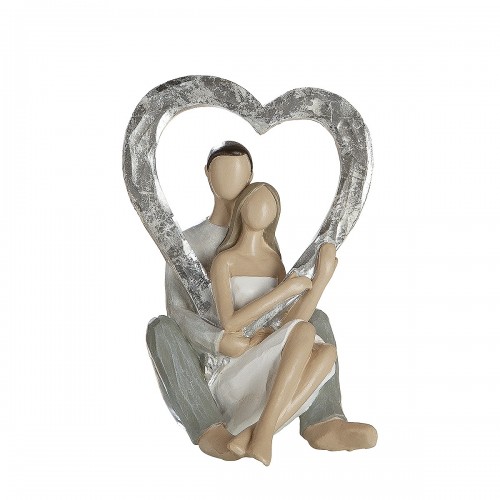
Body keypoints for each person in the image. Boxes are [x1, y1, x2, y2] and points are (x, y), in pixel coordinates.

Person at [146, 141, 377, 461]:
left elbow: (278, 314)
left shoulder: (268, 252)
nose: (230, 180)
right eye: (222, 171)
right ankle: (209, 429)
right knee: (160, 328)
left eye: (239, 172)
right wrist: (217, 341)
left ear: (251, 176)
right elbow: (180, 312)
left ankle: (322, 420)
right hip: (215, 359)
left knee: (317, 322)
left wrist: (318, 281)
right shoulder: (191, 242)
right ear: (207, 174)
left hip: (260, 348)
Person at [210, 182, 339, 465]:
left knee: (327, 352)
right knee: (305, 330)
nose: (262, 208)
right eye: (255, 201)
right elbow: (229, 323)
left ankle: (258, 433)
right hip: (234, 370)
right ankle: (263, 432)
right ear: (241, 207)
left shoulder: (274, 262)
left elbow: (289, 325)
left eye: (270, 204)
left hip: (265, 365)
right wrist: (284, 291)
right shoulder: (225, 261)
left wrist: (321, 280)